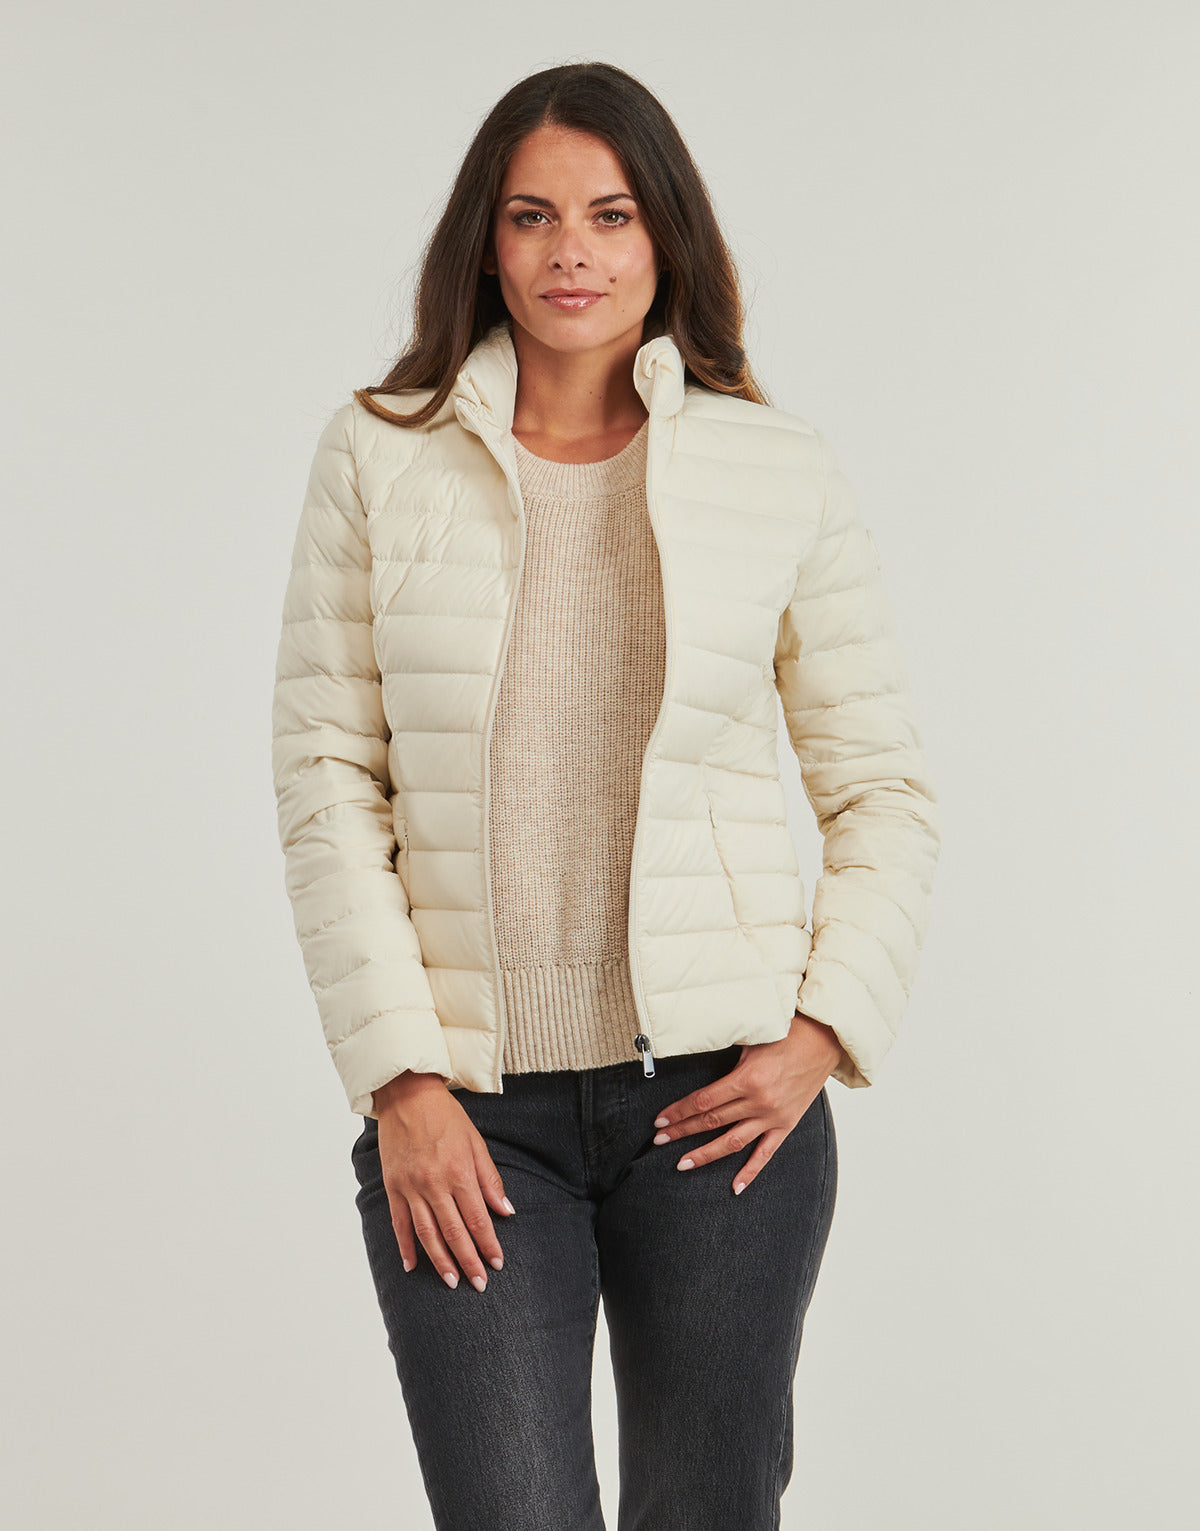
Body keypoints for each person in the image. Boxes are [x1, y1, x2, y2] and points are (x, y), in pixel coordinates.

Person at [271, 60, 941, 1531]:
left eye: (611, 214)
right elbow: (327, 783)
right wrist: (401, 1082)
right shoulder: (380, 455)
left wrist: (820, 1034)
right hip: (469, 1116)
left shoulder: (775, 468)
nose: (571, 251)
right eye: (533, 216)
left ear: (664, 237)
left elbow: (883, 789)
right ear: (486, 244)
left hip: (718, 1114)